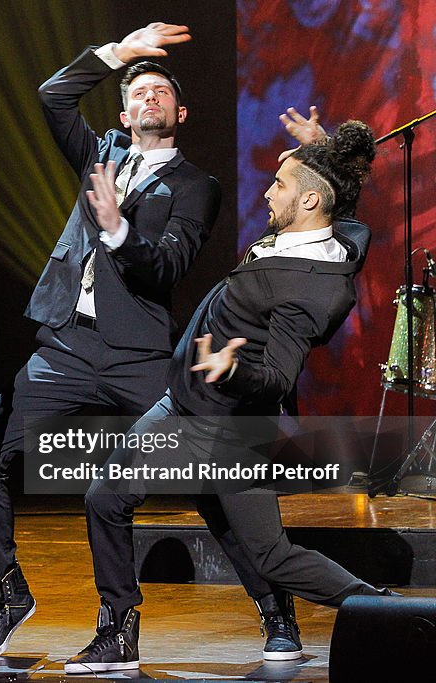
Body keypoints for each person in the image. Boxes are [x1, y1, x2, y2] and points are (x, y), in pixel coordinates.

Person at [72, 119, 395, 673]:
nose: (268, 191)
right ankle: (119, 630)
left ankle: (382, 613)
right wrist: (320, 148)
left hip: (227, 423)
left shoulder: (316, 288)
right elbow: (347, 211)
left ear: (311, 198)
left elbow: (274, 378)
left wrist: (232, 369)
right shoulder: (335, 234)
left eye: (281, 184)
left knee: (268, 551)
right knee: (108, 496)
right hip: (184, 404)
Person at [0, 22, 225, 657]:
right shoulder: (100, 153)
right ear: (124, 108)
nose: (149, 98)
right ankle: (7, 591)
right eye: (139, 91)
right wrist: (119, 54)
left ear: (180, 112)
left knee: (206, 476)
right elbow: (53, 97)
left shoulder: (196, 186)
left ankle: (273, 610)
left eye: (161, 91)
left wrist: (115, 230)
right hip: (64, 348)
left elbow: (165, 267)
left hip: (136, 355)